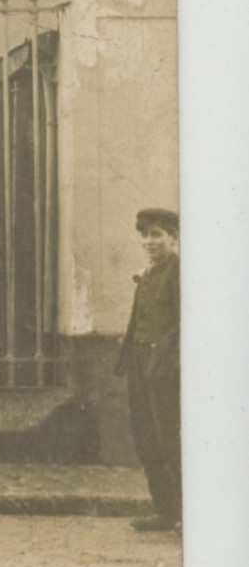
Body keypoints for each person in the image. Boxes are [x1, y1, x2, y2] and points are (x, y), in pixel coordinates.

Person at [116, 207, 181, 533]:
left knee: (170, 438)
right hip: (140, 367)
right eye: (145, 235)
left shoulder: (179, 272)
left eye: (157, 234)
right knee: (147, 439)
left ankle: (186, 515)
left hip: (165, 368)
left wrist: (172, 362)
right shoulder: (151, 272)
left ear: (174, 237)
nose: (149, 241)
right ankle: (166, 512)